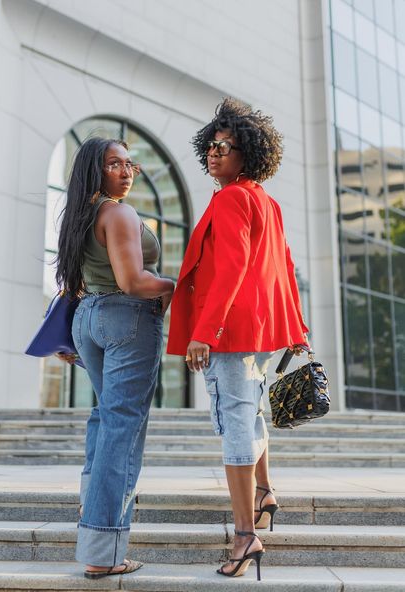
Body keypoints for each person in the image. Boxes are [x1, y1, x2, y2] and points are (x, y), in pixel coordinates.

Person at [167, 98, 309, 579]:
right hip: (260, 331)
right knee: (248, 412)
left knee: (234, 424)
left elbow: (232, 267)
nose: (214, 152)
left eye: (224, 146)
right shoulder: (265, 201)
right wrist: (296, 328)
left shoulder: (232, 199)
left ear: (247, 153)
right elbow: (284, 269)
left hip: (231, 331)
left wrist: (204, 332)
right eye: (211, 145)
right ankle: (265, 492)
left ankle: (245, 535)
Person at [55, 137, 174, 579]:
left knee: (105, 420)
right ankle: (103, 551)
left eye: (129, 164)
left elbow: (79, 283)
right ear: (95, 170)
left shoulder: (79, 215)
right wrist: (175, 286)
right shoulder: (118, 213)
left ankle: (94, 533)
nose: (125, 172)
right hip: (126, 319)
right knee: (122, 426)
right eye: (113, 164)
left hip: (90, 319)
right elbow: (133, 282)